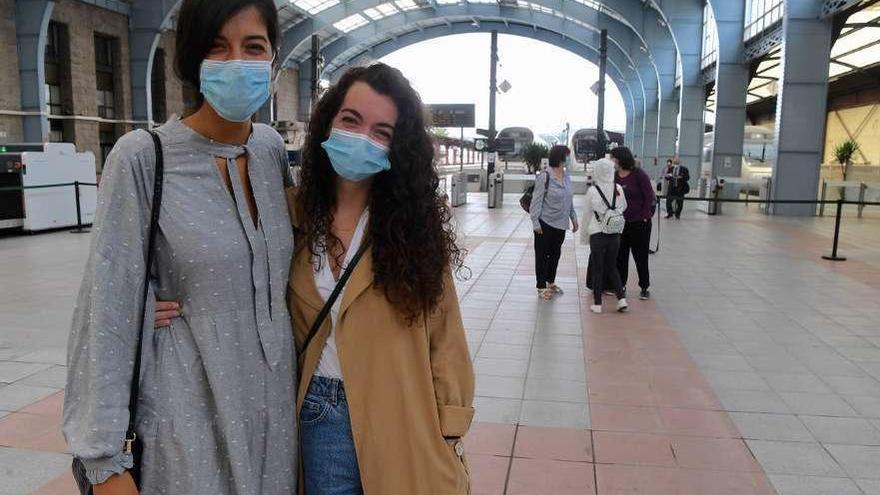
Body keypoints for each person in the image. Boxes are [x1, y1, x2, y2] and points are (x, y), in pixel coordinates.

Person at [62, 1, 298, 494]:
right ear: (193, 60)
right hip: (185, 421)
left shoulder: (272, 151)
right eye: (218, 47)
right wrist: (105, 464)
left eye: (253, 47)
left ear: (273, 59)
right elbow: (104, 312)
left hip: (273, 423)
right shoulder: (145, 157)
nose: (237, 61)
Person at [289, 64, 474, 494]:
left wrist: (451, 420)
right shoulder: (292, 216)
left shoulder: (413, 227)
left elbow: (445, 333)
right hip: (319, 416)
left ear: (396, 148)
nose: (361, 138)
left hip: (403, 409)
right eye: (351, 121)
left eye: (381, 132)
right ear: (328, 121)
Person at [529, 145, 579, 300]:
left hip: (561, 224)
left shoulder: (567, 175)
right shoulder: (545, 176)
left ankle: (551, 282)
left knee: (555, 254)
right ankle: (541, 286)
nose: (570, 159)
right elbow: (535, 202)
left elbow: (569, 199)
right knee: (542, 255)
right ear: (560, 157)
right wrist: (535, 223)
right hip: (545, 223)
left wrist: (574, 218)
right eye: (568, 156)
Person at [581, 158, 628, 314]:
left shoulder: (592, 191)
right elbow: (624, 206)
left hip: (597, 233)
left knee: (598, 268)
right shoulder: (619, 188)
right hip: (615, 233)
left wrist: (584, 237)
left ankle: (598, 304)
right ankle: (621, 299)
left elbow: (587, 215)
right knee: (612, 266)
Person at [613, 146, 655, 300]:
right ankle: (621, 285)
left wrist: (645, 216)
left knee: (640, 255)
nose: (613, 161)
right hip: (620, 223)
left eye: (614, 158)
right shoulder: (615, 176)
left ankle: (644, 286)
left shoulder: (639, 174)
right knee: (620, 256)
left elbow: (648, 196)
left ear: (621, 159)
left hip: (639, 223)